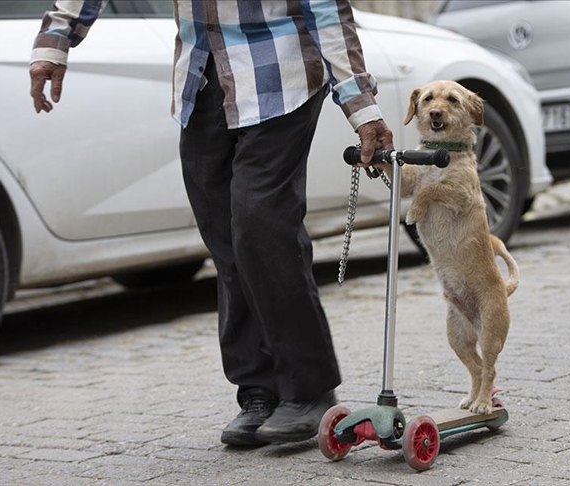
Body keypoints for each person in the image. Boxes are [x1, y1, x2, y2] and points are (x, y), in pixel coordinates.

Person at [29, 0, 394, 446]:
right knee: (225, 239)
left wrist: (362, 106)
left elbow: (324, 6)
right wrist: (56, 40)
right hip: (201, 78)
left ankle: (309, 389)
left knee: (261, 223)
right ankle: (259, 390)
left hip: (280, 72)